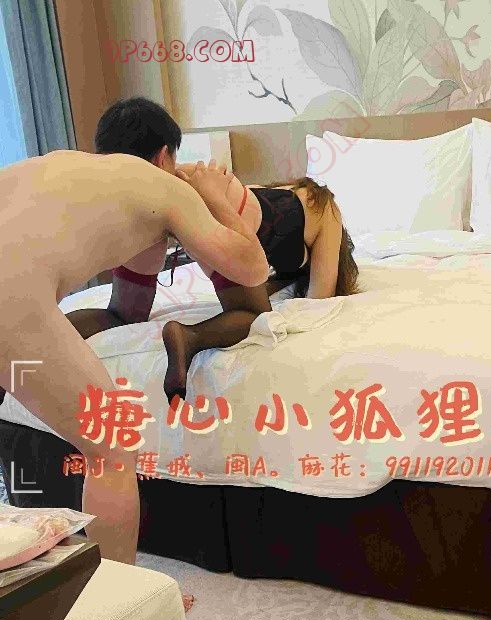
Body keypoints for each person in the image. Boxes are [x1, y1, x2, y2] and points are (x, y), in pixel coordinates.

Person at [0, 150, 269, 563]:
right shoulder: (171, 189)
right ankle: (121, 594)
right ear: (165, 156)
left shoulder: (86, 171)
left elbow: (126, 309)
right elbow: (253, 269)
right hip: (10, 292)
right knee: (111, 449)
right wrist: (214, 195)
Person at [73, 97, 359, 403]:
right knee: (252, 315)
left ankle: (45, 328)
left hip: (167, 210)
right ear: (163, 156)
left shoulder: (137, 193)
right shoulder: (326, 207)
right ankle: (189, 337)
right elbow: (319, 299)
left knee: (120, 314)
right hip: (221, 213)